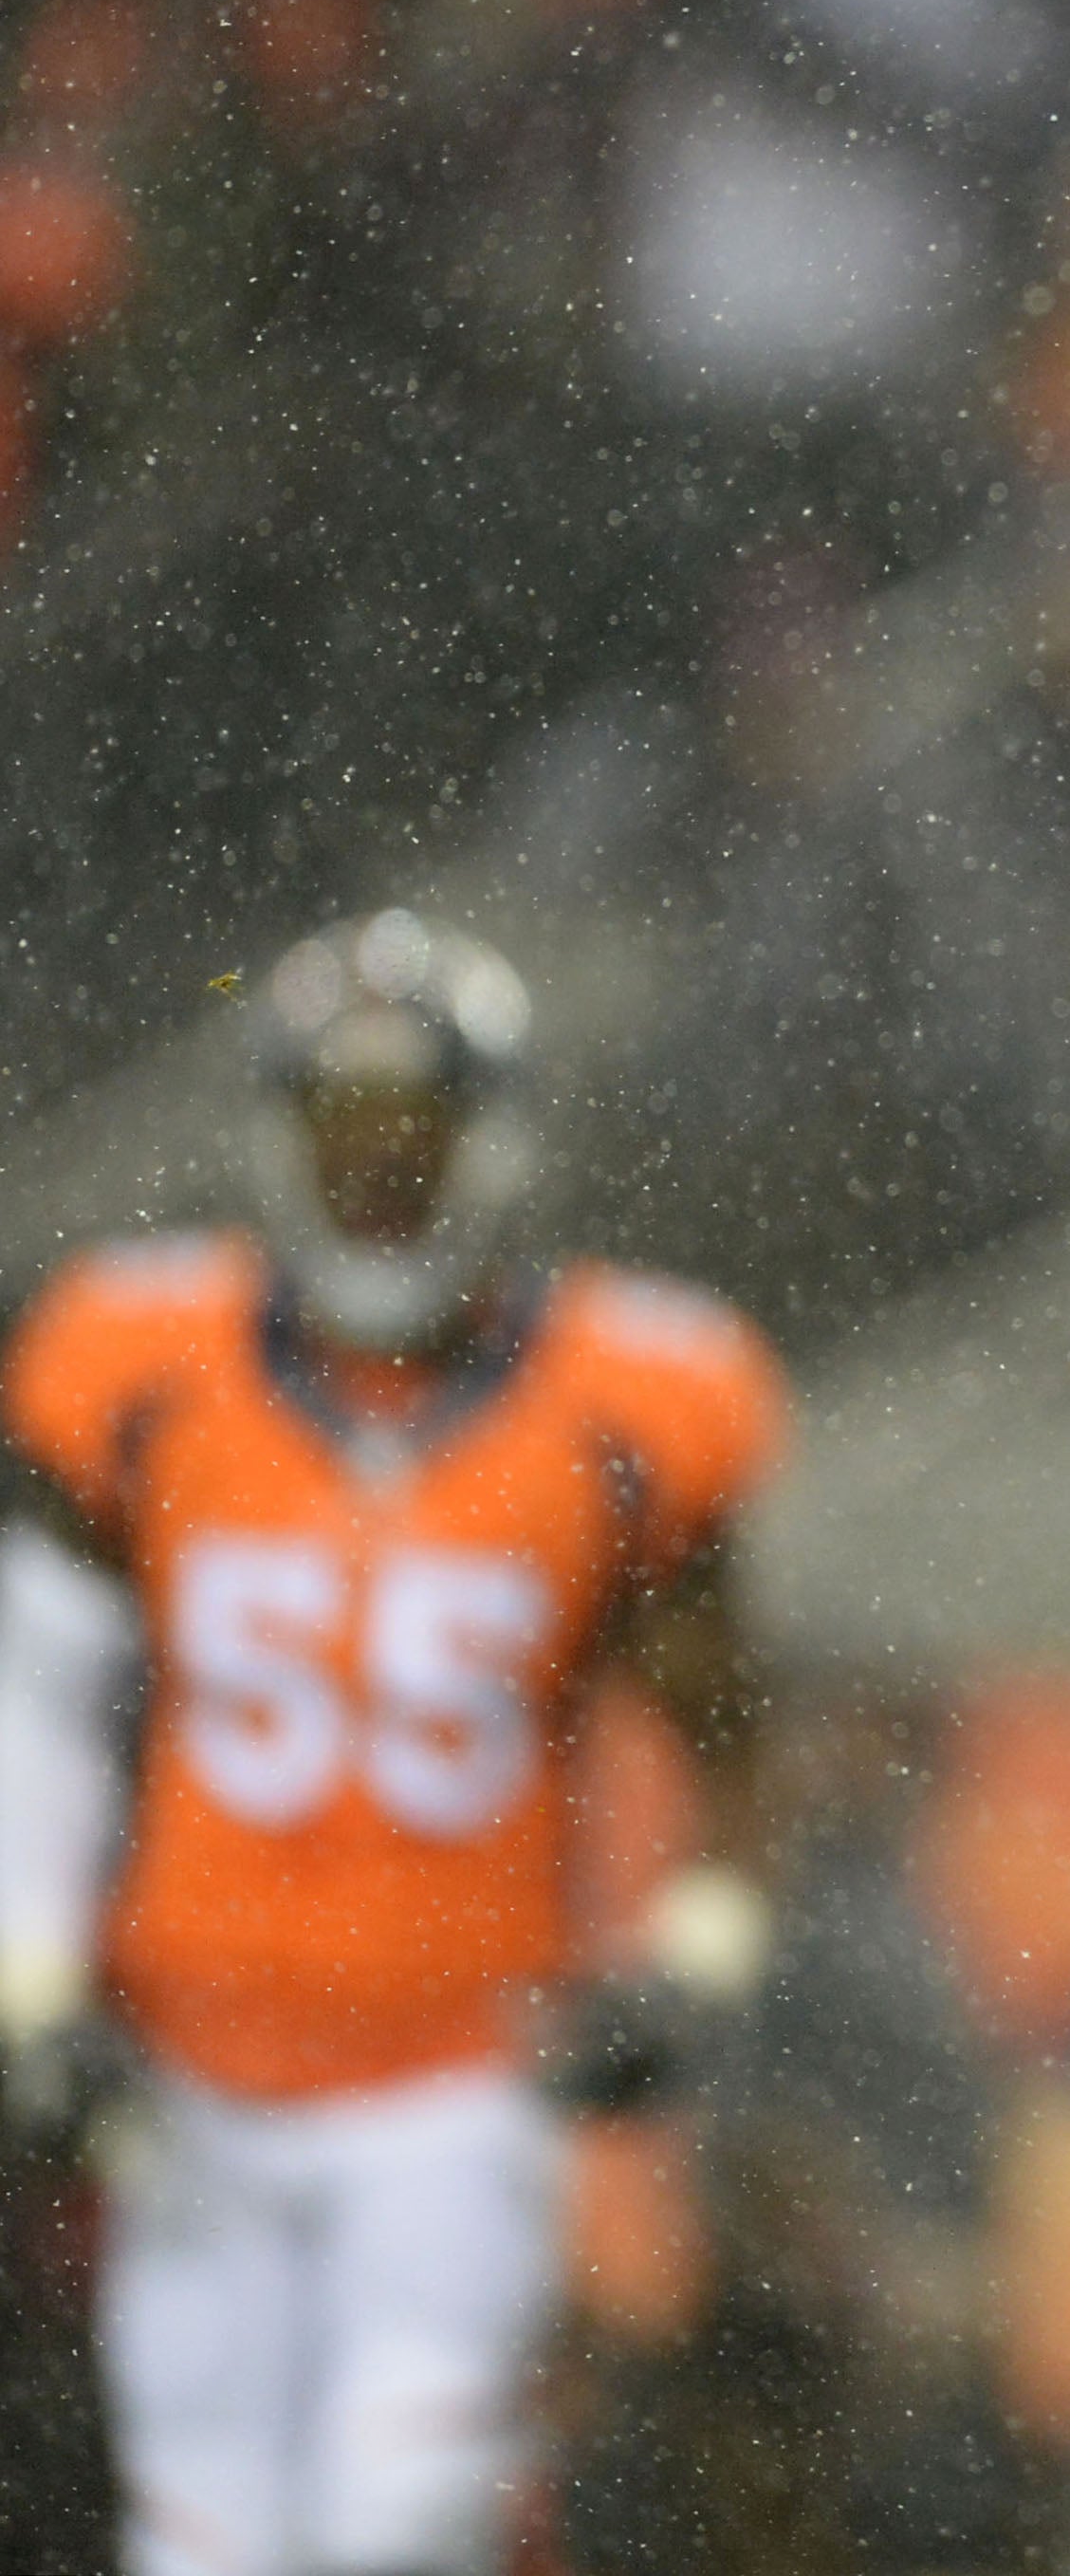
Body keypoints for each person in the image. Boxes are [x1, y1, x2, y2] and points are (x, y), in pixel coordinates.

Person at [0, 910, 787, 2576]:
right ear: (275, 1139)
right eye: (342, 1129)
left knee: (400, 2522)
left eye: (411, 1129)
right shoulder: (136, 1367)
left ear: (489, 1137)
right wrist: (31, 1979)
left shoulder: (629, 1402)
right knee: (204, 2542)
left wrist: (696, 1957)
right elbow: (38, 1697)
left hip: (459, 2069)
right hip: (188, 2076)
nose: (378, 1173)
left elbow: (725, 1733)